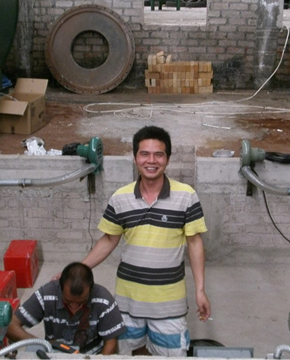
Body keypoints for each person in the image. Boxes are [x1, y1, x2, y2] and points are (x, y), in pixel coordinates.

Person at [81, 125, 211, 356]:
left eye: (158, 154)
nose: (151, 161)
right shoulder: (120, 198)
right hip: (128, 303)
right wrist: (78, 269)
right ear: (134, 158)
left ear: (168, 159)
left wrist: (200, 289)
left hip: (169, 304)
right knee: (130, 352)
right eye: (144, 154)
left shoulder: (186, 196)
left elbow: (194, 243)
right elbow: (109, 239)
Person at [6, 262, 125, 354]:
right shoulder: (47, 294)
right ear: (60, 288)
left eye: (81, 303)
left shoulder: (104, 300)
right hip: (56, 354)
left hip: (92, 355)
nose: (74, 307)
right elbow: (11, 326)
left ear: (91, 291)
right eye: (68, 302)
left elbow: (111, 343)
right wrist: (41, 344)